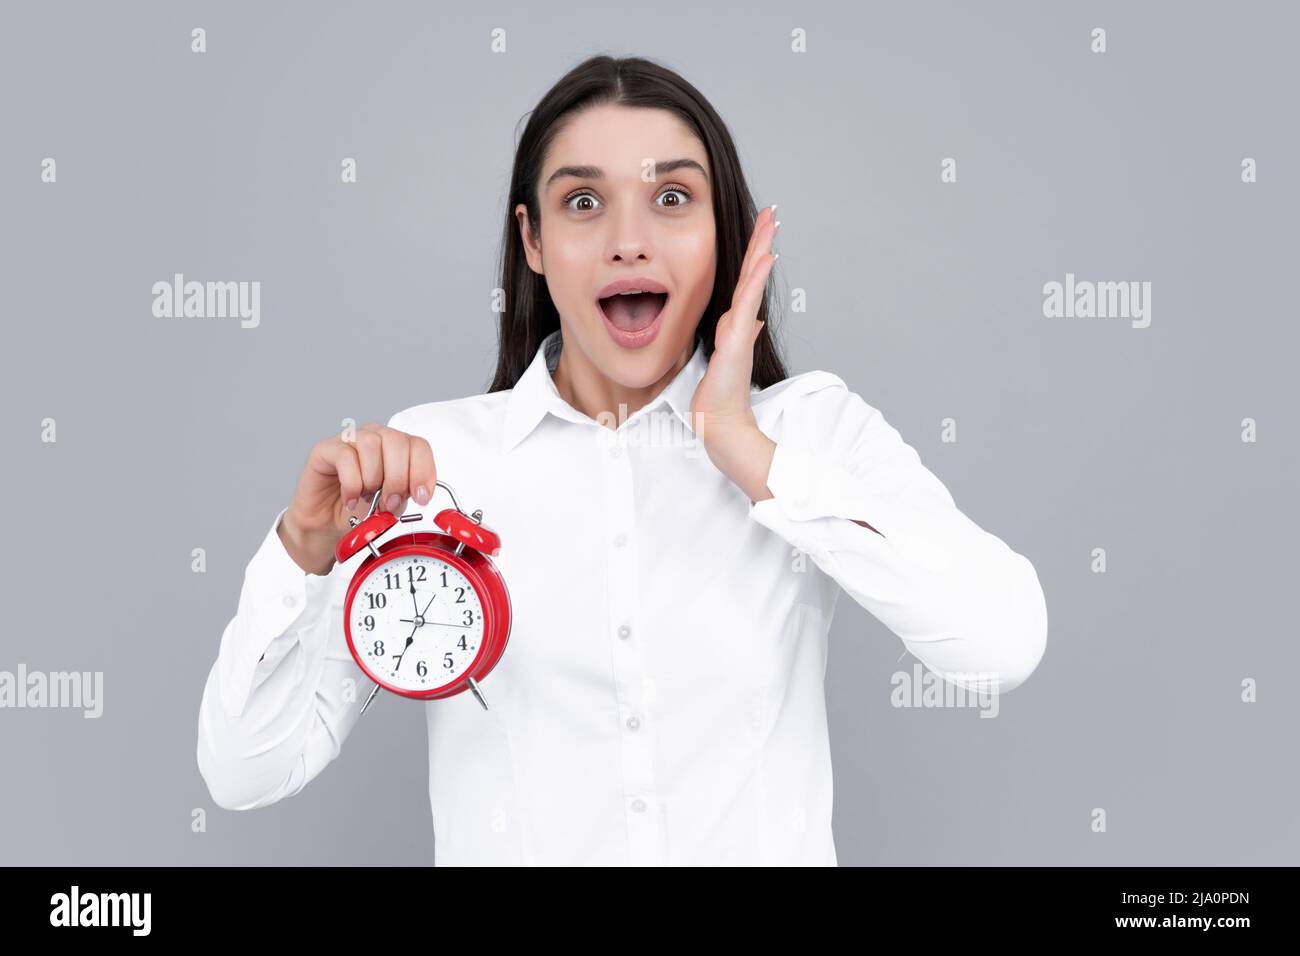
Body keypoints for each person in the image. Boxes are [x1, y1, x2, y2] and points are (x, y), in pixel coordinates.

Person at [196, 54, 1048, 866]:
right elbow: (246, 773)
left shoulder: (805, 433)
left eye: (672, 197)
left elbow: (1000, 643)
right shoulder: (431, 465)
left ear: (724, 235)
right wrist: (301, 553)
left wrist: (744, 449)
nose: (628, 243)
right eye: (582, 204)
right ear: (530, 240)